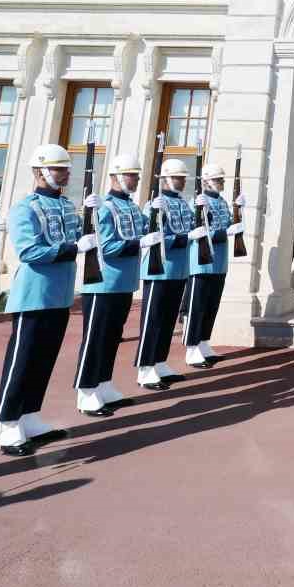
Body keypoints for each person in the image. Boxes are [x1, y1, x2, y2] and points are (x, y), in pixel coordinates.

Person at [0, 144, 80, 457]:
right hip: (33, 295)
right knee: (22, 362)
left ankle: (29, 416)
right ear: (38, 172)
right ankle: (6, 423)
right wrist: (70, 250)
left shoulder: (69, 206)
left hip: (59, 294)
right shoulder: (25, 208)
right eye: (58, 169)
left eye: (66, 169)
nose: (64, 174)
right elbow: (29, 252)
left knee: (44, 360)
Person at [75, 153, 144, 415]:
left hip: (124, 283)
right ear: (115, 176)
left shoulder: (132, 207)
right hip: (103, 283)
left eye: (136, 176)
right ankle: (86, 390)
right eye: (131, 175)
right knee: (95, 338)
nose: (136, 179)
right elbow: (106, 247)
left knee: (112, 337)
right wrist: (138, 243)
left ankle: (103, 384)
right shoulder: (104, 207)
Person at [135, 158, 193, 390]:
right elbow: (153, 237)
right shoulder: (154, 205)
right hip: (160, 269)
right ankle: (145, 367)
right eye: (178, 177)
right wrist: (178, 239)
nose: (182, 181)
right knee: (153, 320)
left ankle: (159, 362)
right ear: (166, 178)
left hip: (178, 269)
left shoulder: (184, 204)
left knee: (168, 320)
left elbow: (191, 227)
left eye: (183, 177)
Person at [184, 161, 234, 368]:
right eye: (217, 179)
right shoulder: (198, 202)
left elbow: (228, 223)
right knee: (197, 307)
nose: (221, 182)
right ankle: (191, 347)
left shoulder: (221, 202)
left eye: (221, 179)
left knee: (211, 305)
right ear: (205, 181)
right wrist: (222, 233)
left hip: (219, 262)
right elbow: (199, 231)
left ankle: (204, 343)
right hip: (201, 263)